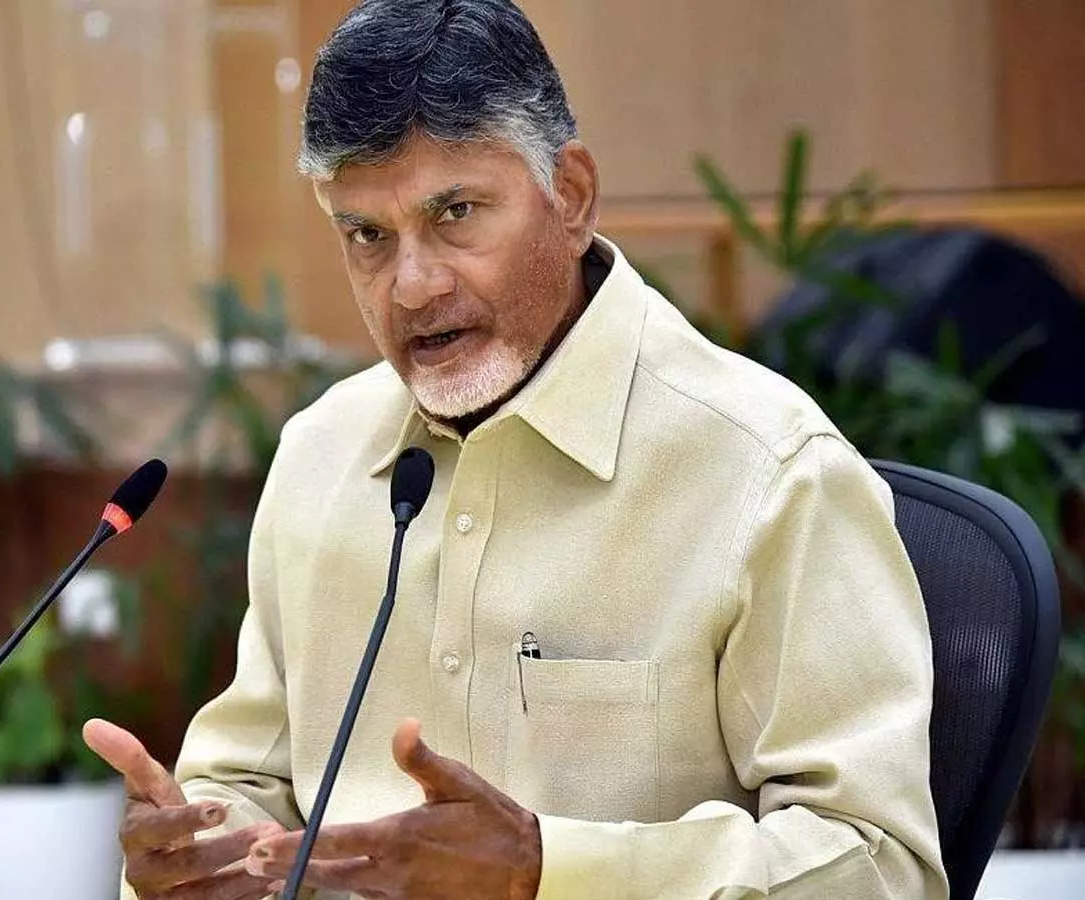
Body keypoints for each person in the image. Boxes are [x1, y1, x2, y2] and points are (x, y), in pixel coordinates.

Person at [83, 1, 949, 897]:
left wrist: (549, 869)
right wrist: (194, 855)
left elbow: (882, 868)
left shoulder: (768, 473)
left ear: (569, 197)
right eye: (367, 236)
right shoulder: (321, 454)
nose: (412, 287)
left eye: (456, 213)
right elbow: (249, 784)